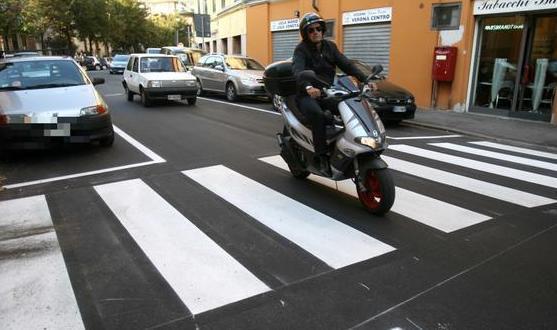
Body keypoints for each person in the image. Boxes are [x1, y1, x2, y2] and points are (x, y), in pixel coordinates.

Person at [292, 12, 373, 175]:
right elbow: (298, 71)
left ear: (323, 30)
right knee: (318, 115)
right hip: (306, 94)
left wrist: (365, 79)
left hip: (326, 92)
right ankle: (321, 156)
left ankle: (352, 144)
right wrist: (308, 87)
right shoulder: (301, 50)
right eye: (311, 30)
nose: (315, 32)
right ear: (305, 34)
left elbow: (346, 64)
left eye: (318, 28)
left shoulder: (330, 47)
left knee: (351, 106)